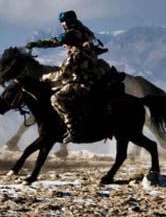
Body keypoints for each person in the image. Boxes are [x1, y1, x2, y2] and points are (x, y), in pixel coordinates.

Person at [27, 10, 111, 142]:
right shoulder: (79, 34)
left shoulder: (75, 38)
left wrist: (46, 77)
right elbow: (59, 40)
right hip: (89, 74)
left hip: (83, 80)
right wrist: (39, 43)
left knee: (55, 98)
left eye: (64, 21)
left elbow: (62, 72)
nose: (62, 24)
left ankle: (72, 128)